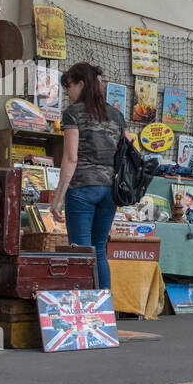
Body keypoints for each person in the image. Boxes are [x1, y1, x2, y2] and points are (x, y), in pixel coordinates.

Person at [51, 63, 129, 290]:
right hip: (110, 191)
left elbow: (71, 158)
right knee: (99, 249)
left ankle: (83, 312)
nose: (67, 91)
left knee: (80, 251)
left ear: (81, 84)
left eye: (69, 86)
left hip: (83, 188)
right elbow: (126, 150)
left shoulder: (73, 113)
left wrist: (58, 197)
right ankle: (103, 311)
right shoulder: (116, 115)